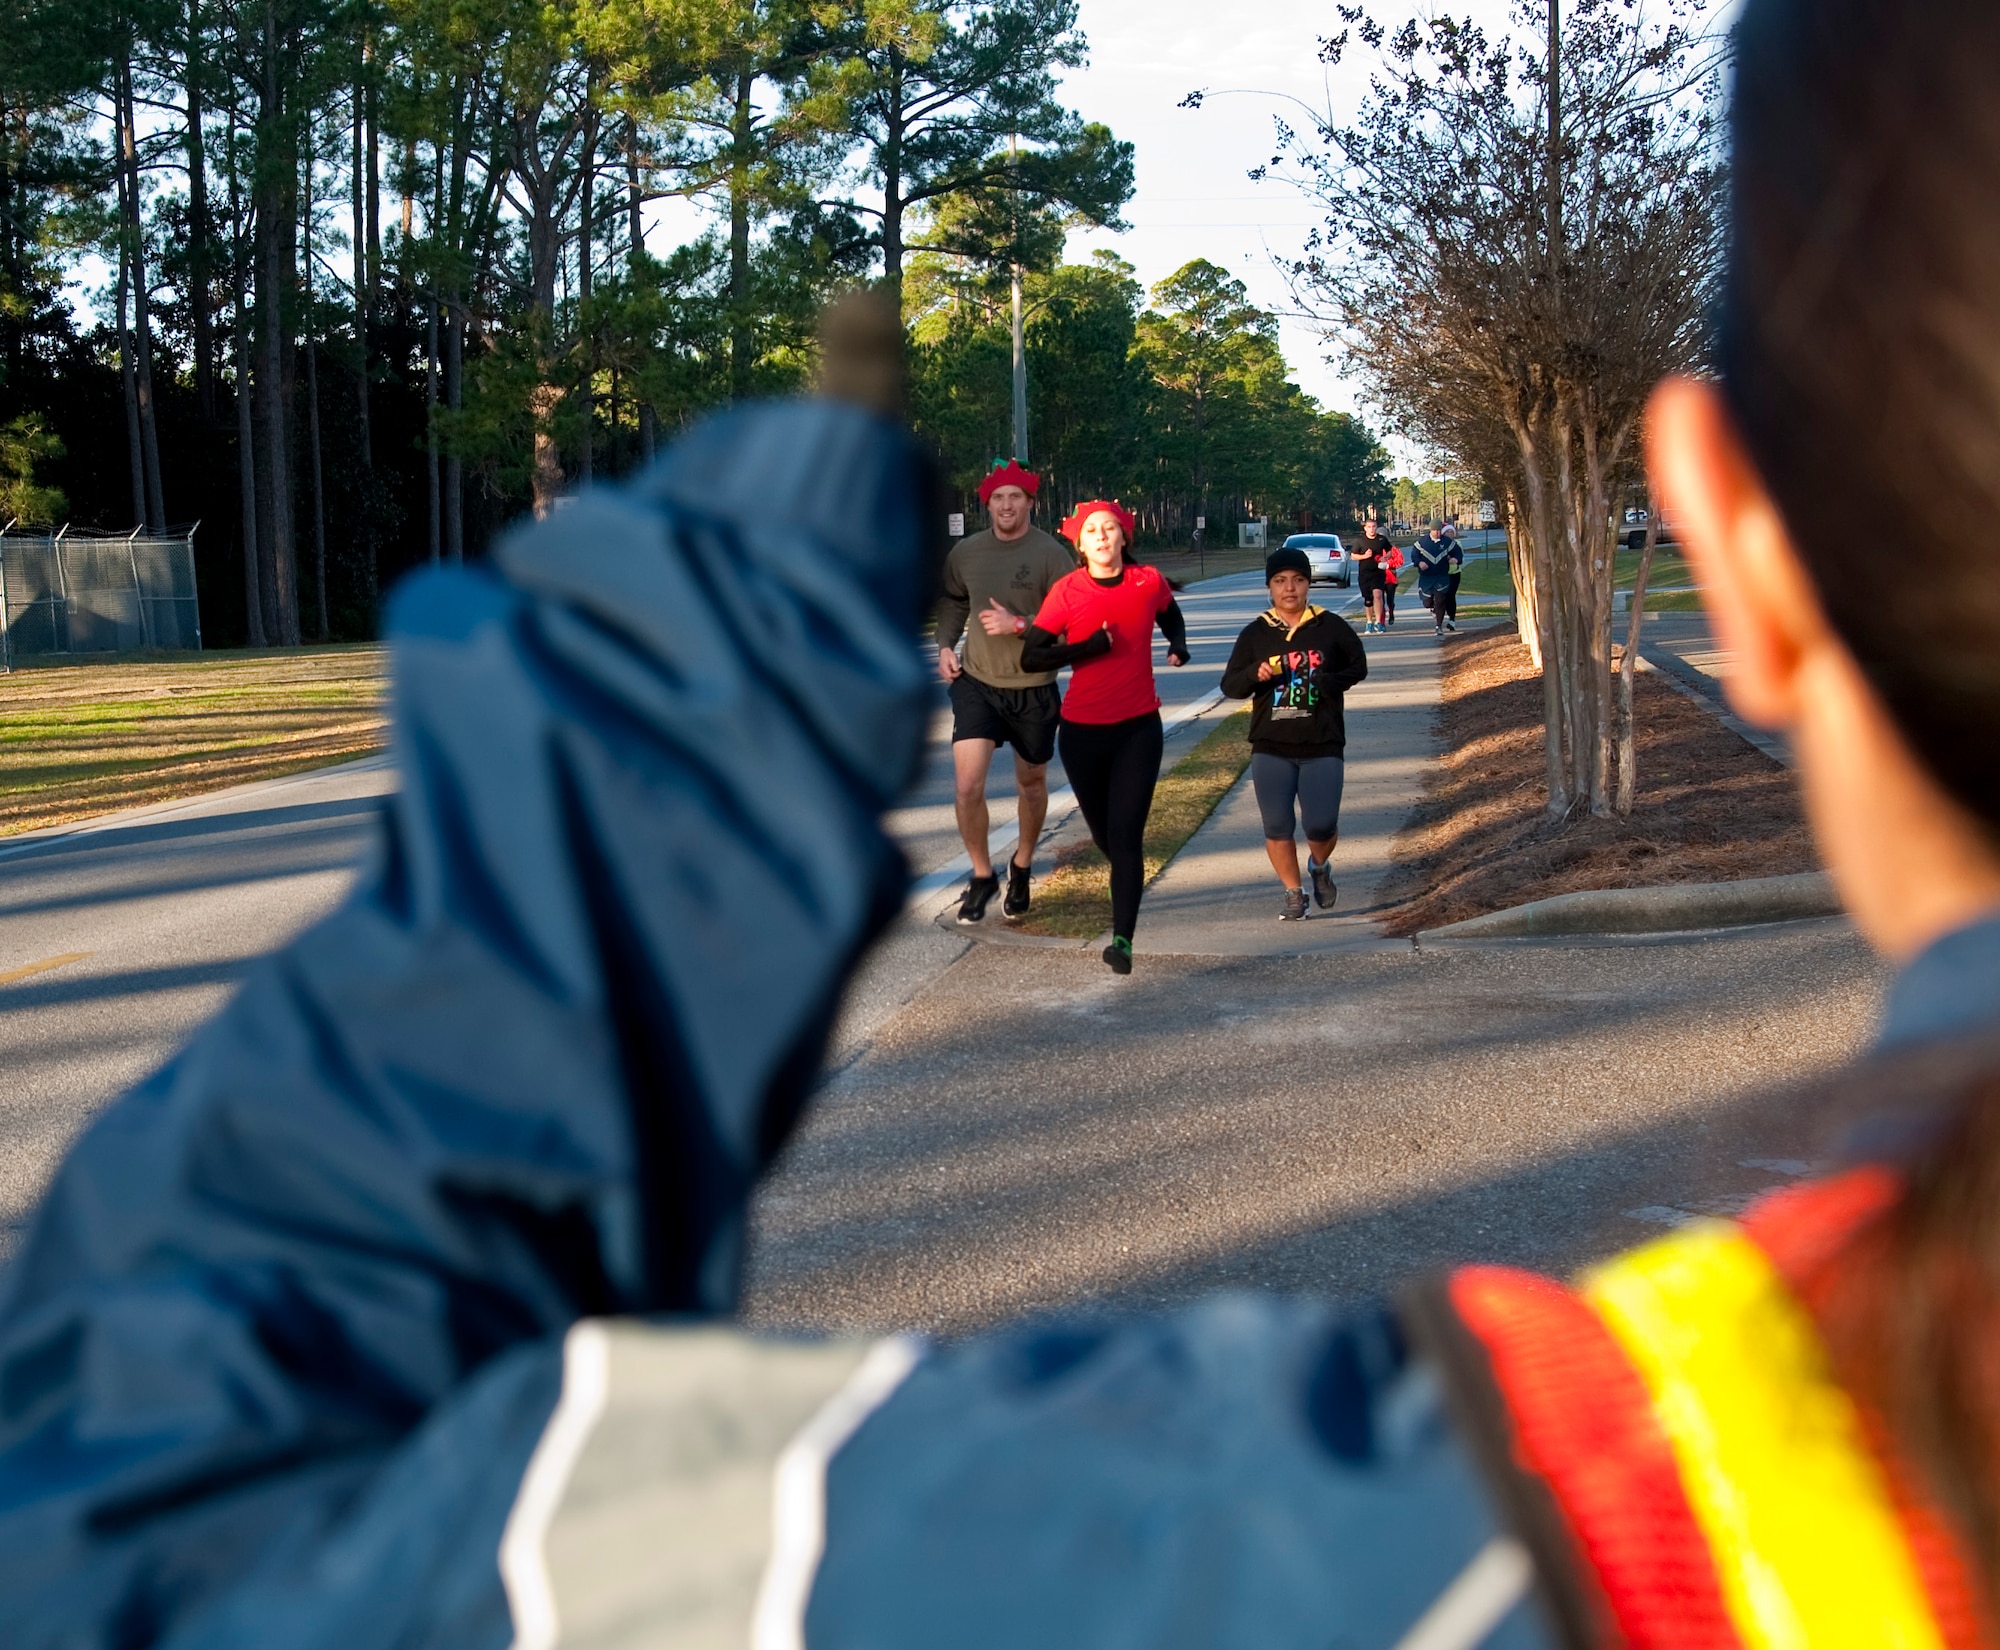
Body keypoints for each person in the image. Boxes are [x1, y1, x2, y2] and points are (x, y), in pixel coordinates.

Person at [12, 14, 2000, 1630]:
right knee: (1071, 820)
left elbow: (166, 1546)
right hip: (1049, 731)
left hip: (1081, 768)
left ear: (1733, 535)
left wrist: (594, 862)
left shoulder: (1503, 1551)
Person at [1018, 499, 1190, 974]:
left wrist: (1178, 644)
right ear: (1080, 542)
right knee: (1105, 837)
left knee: (1125, 835)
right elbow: (1032, 657)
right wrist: (1087, 648)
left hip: (1138, 728)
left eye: (1110, 528)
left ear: (1123, 538)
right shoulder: (1067, 591)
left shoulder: (1146, 582)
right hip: (1081, 735)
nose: (1101, 536)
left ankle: (1122, 941)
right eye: (1092, 529)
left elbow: (1169, 614)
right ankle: (1126, 880)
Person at [933, 460, 1078, 923]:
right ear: (987, 503)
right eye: (998, 497)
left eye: (1016, 496)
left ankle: (1021, 865)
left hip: (1033, 688)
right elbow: (955, 601)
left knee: (1031, 784)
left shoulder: (1052, 556)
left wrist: (1021, 625)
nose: (1007, 505)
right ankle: (981, 875)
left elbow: (1074, 625)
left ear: (1030, 502)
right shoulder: (968, 553)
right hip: (976, 682)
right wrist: (943, 645)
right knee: (966, 785)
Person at [1219, 546, 1369, 920]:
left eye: (1298, 580)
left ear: (1308, 584)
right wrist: (1255, 674)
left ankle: (1319, 866)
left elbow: (1358, 666)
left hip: (1323, 741)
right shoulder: (1256, 633)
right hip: (1270, 745)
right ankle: (1292, 891)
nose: (1290, 589)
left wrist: (1330, 681)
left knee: (1320, 825)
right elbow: (1231, 685)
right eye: (1281, 581)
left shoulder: (1329, 626)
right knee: (1277, 825)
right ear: (1270, 587)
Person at [1413, 524, 1463, 635]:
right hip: (1427, 576)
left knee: (1440, 600)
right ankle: (1432, 607)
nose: (1437, 532)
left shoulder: (1447, 542)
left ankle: (1438, 626)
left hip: (1442, 575)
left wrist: (1456, 559)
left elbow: (1458, 553)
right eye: (1435, 530)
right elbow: (1414, 555)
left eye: (1439, 530)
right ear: (1430, 530)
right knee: (1427, 602)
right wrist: (1419, 563)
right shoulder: (1422, 542)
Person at [1352, 514, 1394, 632]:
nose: (1372, 529)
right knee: (1368, 599)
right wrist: (1364, 556)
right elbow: (1353, 556)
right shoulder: (1360, 541)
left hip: (1378, 572)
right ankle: (1369, 621)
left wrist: (1385, 557)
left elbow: (1391, 550)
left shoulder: (1381, 539)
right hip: (1365, 574)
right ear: (1365, 528)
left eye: (1374, 526)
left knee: (1378, 595)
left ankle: (1378, 622)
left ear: (1376, 527)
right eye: (1369, 527)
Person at [1440, 523, 1464, 629]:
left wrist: (1456, 560)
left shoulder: (1457, 543)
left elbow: (1460, 556)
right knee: (1441, 596)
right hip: (1442, 573)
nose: (1449, 534)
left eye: (1451, 532)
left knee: (1451, 595)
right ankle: (1438, 611)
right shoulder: (1440, 544)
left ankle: (1452, 620)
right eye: (1447, 532)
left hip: (1454, 574)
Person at [1379, 539, 1405, 626]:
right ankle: (1381, 620)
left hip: (1390, 578)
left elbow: (1400, 560)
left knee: (1390, 600)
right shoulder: (1375, 548)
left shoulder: (1393, 549)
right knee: (1379, 600)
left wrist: (1388, 564)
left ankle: (1391, 613)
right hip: (1377, 578)